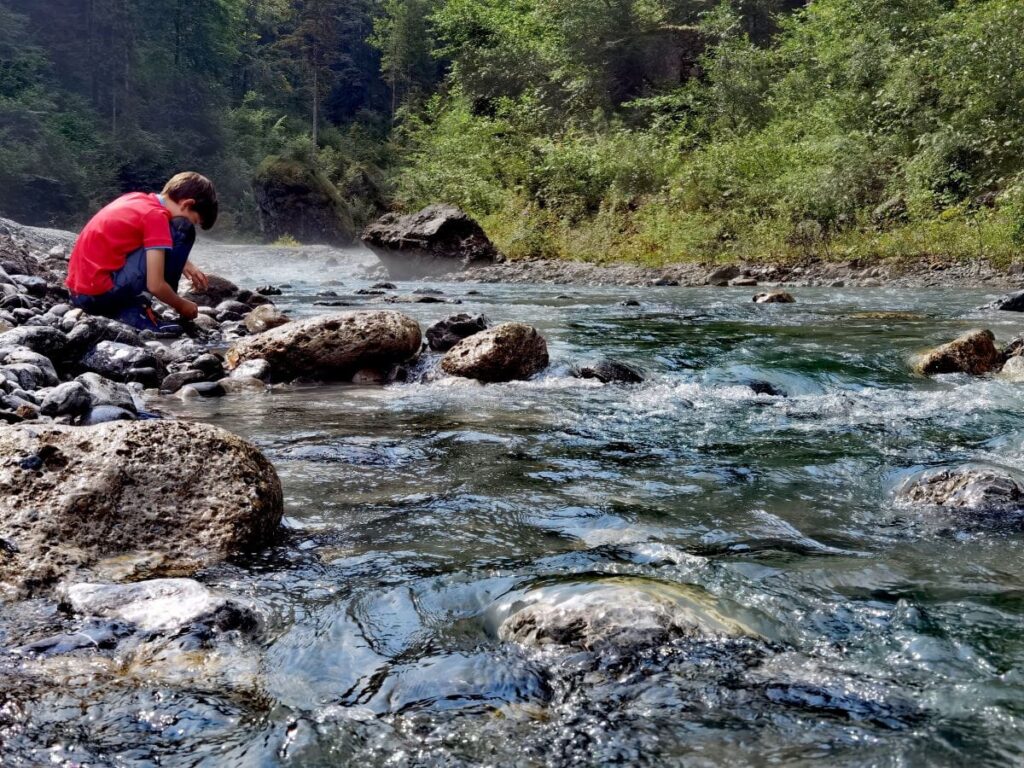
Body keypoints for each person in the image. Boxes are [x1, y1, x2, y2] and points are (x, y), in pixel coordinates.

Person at [66, 171, 217, 331]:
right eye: (193, 220)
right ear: (186, 204)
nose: (191, 223)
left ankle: (134, 307)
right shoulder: (156, 217)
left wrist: (185, 263)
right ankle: (137, 311)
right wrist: (181, 304)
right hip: (99, 297)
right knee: (184, 230)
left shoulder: (137, 199)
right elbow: (155, 285)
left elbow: (139, 243)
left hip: (79, 294)